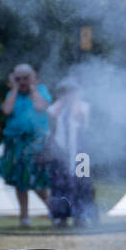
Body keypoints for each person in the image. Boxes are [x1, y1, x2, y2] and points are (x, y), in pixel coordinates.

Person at [0, 63, 53, 227]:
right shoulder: (12, 94)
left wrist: (33, 88)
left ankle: (55, 211)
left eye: (25, 78)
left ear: (33, 78)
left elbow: (41, 106)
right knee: (20, 182)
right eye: (18, 78)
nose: (22, 81)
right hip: (16, 142)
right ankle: (24, 218)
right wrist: (14, 89)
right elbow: (7, 110)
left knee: (38, 182)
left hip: (36, 142)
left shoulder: (41, 91)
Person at [44, 78, 94, 227]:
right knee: (60, 185)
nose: (68, 95)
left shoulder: (84, 107)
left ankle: (81, 216)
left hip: (80, 152)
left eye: (71, 92)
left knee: (81, 184)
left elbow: (83, 121)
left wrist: (75, 102)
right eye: (65, 92)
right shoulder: (54, 108)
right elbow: (52, 120)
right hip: (60, 151)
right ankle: (60, 216)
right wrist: (61, 103)